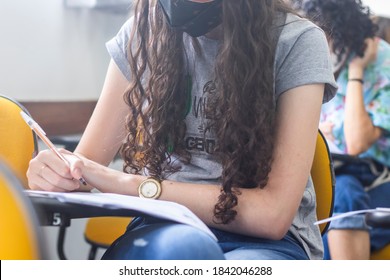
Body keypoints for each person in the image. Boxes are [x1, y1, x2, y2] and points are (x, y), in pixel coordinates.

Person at [26, 0, 336, 260]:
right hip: (164, 229)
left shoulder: (296, 41)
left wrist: (134, 185)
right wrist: (57, 172)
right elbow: (84, 169)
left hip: (269, 245)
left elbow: (273, 215)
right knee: (187, 249)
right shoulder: (143, 33)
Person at [300, 0, 390, 260]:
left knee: (345, 195)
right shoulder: (308, 60)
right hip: (329, 177)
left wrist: (356, 73)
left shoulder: (382, 62)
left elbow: (356, 143)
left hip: (376, 177)